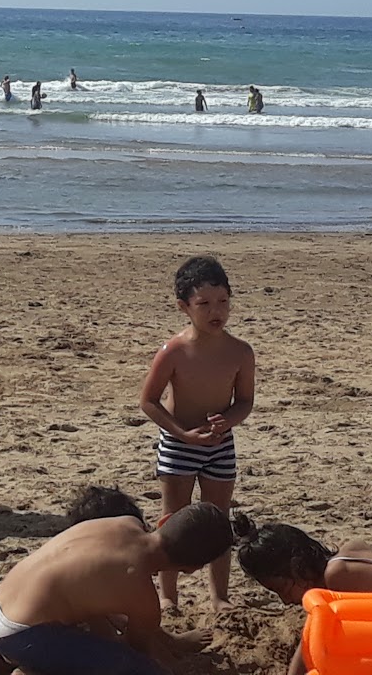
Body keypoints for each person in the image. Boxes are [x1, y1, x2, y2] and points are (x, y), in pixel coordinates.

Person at [0, 505, 228, 675]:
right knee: (137, 669)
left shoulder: (123, 523)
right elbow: (138, 651)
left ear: (163, 520)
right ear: (192, 568)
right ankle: (26, 669)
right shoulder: (141, 594)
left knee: (84, 638)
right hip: (24, 634)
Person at [139, 257, 255, 612]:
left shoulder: (240, 352)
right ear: (184, 307)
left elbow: (245, 401)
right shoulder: (174, 351)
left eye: (222, 302)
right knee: (174, 519)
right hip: (179, 444)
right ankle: (168, 595)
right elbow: (149, 401)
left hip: (219, 446)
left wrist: (228, 421)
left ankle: (219, 596)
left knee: (218, 519)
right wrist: (183, 435)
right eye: (203, 304)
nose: (215, 311)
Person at [234, 515, 372, 675]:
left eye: (283, 588)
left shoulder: (338, 575)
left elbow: (315, 639)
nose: (286, 600)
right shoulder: (349, 552)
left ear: (298, 567)